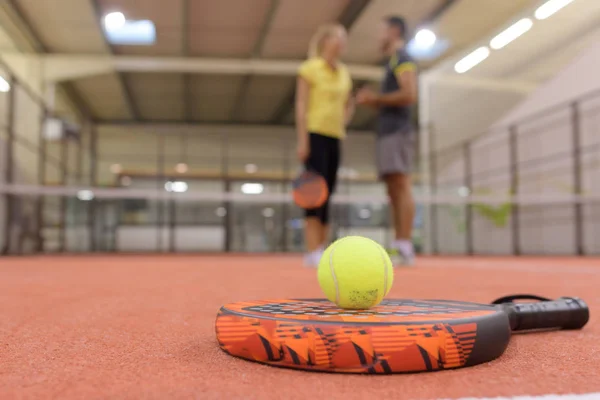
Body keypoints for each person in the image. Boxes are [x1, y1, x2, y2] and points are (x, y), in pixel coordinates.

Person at [356, 16, 418, 266]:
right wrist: (374, 102)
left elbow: (409, 94)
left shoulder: (403, 58)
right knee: (393, 187)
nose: (378, 36)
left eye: (381, 30)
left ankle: (404, 244)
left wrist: (376, 99)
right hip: (387, 131)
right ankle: (399, 242)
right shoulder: (392, 61)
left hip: (397, 131)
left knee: (401, 184)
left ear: (394, 31)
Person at [295, 24, 354, 267]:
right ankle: (312, 249)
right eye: (337, 38)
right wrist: (302, 140)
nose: (341, 42)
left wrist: (344, 122)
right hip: (314, 133)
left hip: (334, 136)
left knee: (328, 192)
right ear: (326, 41)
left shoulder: (344, 73)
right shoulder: (310, 68)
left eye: (344, 39)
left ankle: (323, 248)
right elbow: (300, 105)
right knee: (313, 192)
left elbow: (349, 103)